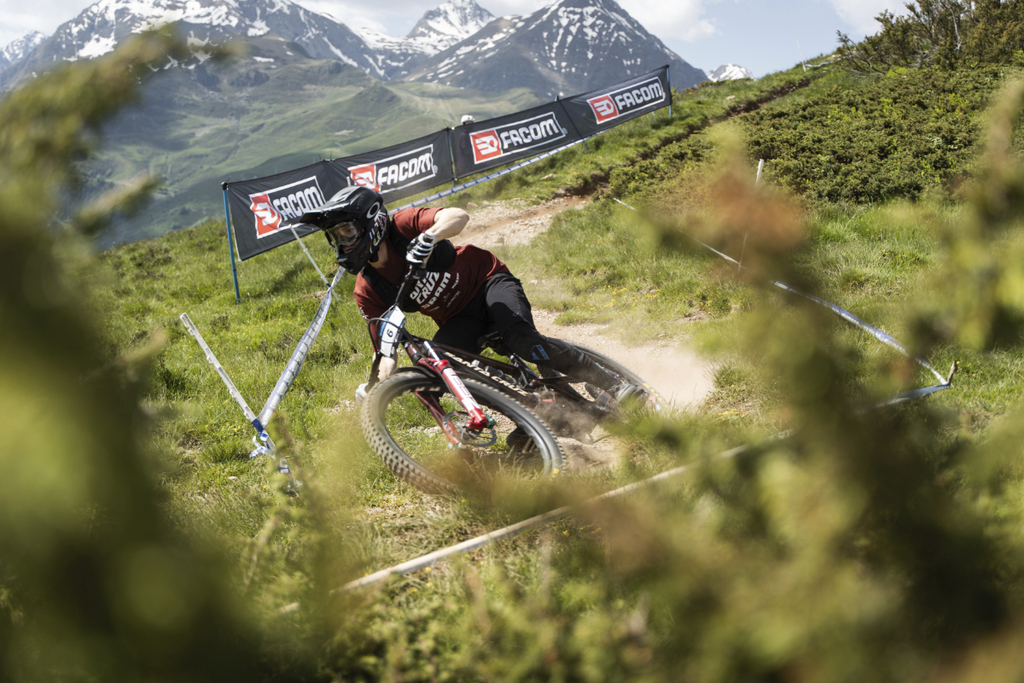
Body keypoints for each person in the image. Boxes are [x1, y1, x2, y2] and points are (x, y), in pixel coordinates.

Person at [299, 185, 644, 402]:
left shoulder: (402, 225)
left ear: (371, 223)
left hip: (489, 282)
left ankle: (612, 383)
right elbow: (385, 351)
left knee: (524, 341)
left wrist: (430, 236)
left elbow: (457, 215)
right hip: (460, 319)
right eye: (336, 237)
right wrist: (376, 387)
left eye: (347, 231)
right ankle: (533, 418)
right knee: (443, 369)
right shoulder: (367, 289)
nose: (342, 243)